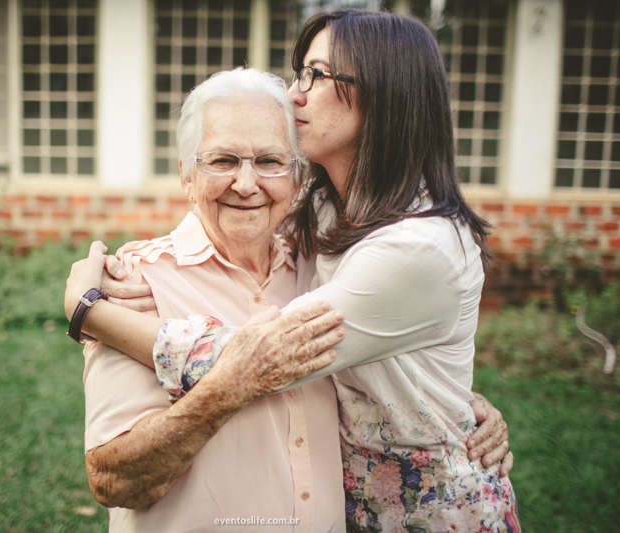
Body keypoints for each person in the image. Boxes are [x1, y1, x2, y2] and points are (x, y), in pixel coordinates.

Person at [65, 67, 510, 532]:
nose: (245, 183)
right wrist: (224, 393)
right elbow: (114, 480)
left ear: (297, 180)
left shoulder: (320, 266)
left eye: (270, 162)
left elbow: (379, 367)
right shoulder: (136, 281)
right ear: (186, 175)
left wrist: (457, 407)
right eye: (222, 161)